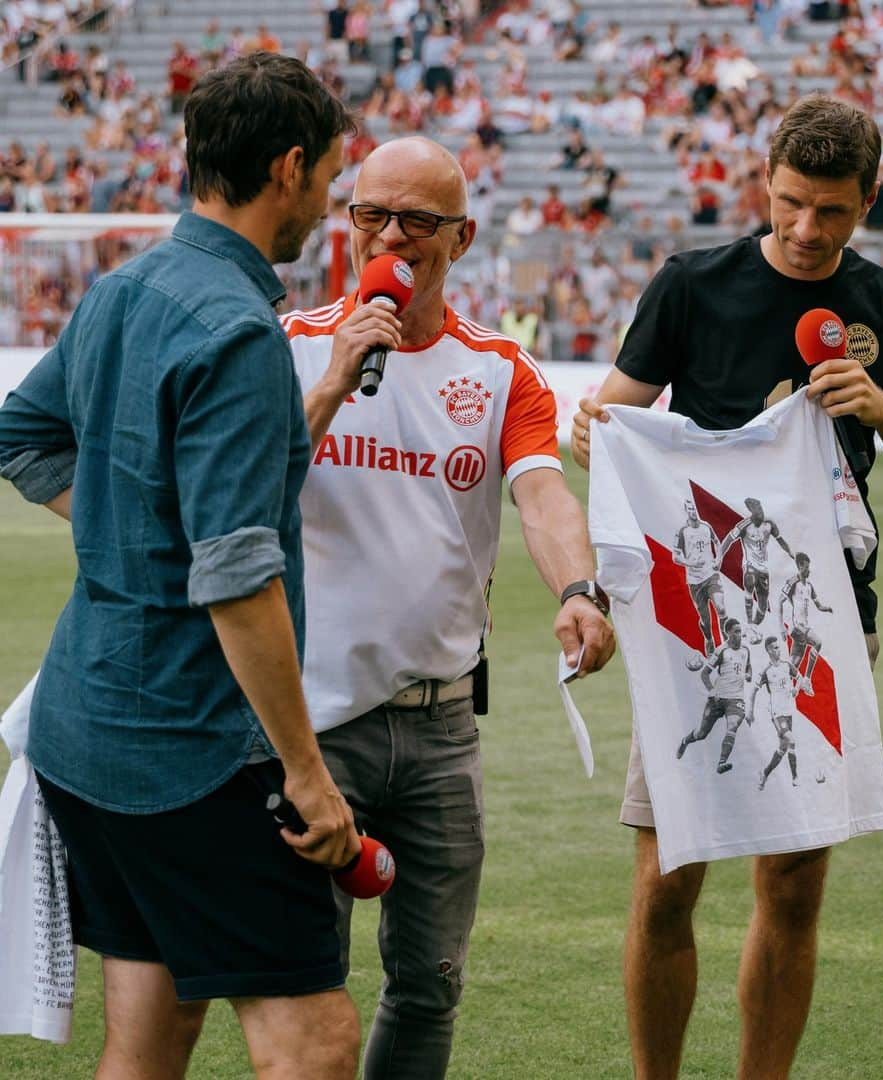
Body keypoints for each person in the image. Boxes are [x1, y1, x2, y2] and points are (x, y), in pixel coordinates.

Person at [571, 94, 883, 1078]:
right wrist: (597, 429)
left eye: (831, 211)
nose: (805, 229)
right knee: (669, 880)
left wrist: (877, 404)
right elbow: (609, 422)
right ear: (764, 182)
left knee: (792, 885)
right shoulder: (692, 285)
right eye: (791, 203)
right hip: (697, 628)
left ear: (868, 200)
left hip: (824, 624)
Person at [0, 54, 362, 1079]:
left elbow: (19, 436)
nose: (327, 203)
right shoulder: (240, 330)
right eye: (331, 177)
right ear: (289, 168)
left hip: (84, 730)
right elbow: (240, 579)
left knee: (150, 1038)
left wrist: (126, 524)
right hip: (191, 749)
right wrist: (306, 774)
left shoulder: (125, 288)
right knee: (317, 1043)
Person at [280, 135, 616, 1079]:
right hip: (310, 723)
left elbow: (543, 495)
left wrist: (579, 591)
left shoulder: (502, 369)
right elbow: (247, 490)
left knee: (430, 984)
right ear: (345, 226)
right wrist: (336, 383)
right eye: (371, 216)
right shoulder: (289, 346)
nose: (392, 236)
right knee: (305, 984)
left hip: (439, 730)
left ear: (459, 239)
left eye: (418, 221)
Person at [675, 618, 752, 774]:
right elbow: (704, 674)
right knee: (701, 734)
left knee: (733, 725)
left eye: (740, 631)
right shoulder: (721, 651)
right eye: (736, 631)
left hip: (735, 699)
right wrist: (712, 690)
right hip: (717, 698)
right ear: (728, 633)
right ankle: (685, 741)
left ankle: (721, 762)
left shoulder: (745, 650)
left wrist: (749, 674)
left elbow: (749, 667)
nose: (739, 634)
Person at [718, 496, 795, 642]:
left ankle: (752, 626)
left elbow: (781, 540)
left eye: (761, 508)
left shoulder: (769, 523)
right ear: (751, 512)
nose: (761, 512)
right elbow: (728, 539)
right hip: (750, 564)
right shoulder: (744, 525)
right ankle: (748, 623)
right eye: (757, 510)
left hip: (763, 568)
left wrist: (791, 553)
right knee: (749, 580)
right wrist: (719, 558)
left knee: (763, 605)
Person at [750, 635, 813, 791]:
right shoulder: (766, 671)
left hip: (788, 711)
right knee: (791, 740)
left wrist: (796, 689)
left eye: (779, 647)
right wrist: (750, 711)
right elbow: (753, 690)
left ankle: (764, 774)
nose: (779, 650)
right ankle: (795, 777)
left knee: (782, 749)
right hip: (777, 713)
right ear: (768, 650)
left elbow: (799, 678)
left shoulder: (787, 665)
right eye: (775, 648)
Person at [672, 497, 726, 654]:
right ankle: (709, 639)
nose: (693, 512)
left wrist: (718, 560)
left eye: (694, 509)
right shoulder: (682, 531)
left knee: (721, 608)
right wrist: (690, 563)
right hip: (695, 581)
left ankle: (726, 645)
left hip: (711, 575)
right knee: (705, 620)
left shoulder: (706, 526)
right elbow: (675, 556)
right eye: (690, 510)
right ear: (686, 511)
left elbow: (717, 542)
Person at [780, 552, 832, 678]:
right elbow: (780, 601)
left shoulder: (809, 586)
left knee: (793, 666)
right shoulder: (793, 582)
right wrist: (781, 626)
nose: (809, 570)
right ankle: (807, 679)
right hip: (797, 626)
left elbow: (818, 605)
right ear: (800, 566)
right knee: (818, 643)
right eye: (807, 567)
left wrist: (828, 609)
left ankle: (779, 679)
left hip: (803, 627)